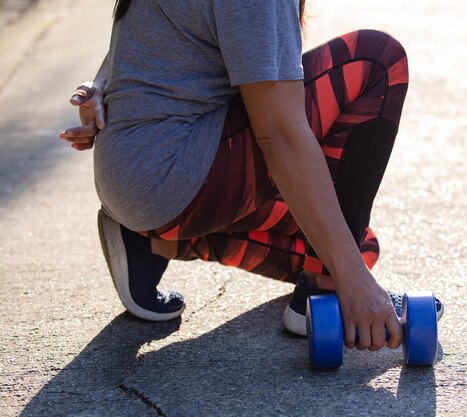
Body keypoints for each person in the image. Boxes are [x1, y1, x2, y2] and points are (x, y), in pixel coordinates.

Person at [60, 0, 442, 353]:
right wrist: (352, 281)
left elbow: (151, 28)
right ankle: (325, 287)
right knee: (376, 60)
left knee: (356, 244)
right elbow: (279, 134)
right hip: (170, 171)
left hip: (137, 173)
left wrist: (103, 85)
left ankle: (152, 243)